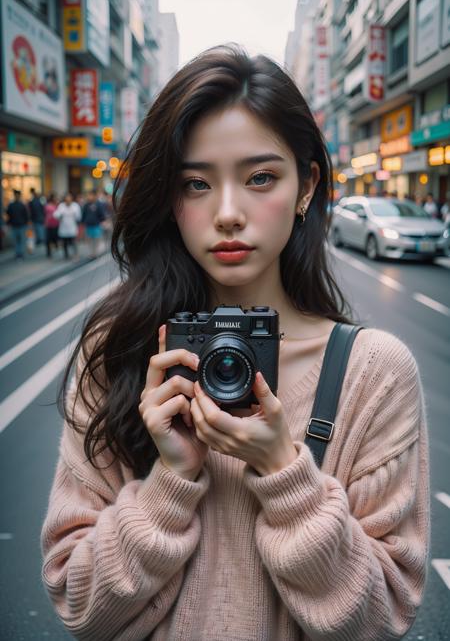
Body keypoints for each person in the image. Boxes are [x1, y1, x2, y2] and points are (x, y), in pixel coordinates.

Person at [41, 46, 429, 641]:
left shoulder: (372, 373)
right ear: (170, 201)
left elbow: (383, 618)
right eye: (196, 183)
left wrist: (284, 472)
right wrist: (171, 479)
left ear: (307, 187)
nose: (227, 213)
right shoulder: (120, 350)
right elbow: (78, 604)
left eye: (260, 178)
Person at [53, 192, 81, 260]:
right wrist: (60, 214)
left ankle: (76, 254)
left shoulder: (75, 205)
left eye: (69, 198)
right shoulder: (61, 206)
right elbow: (55, 215)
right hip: (64, 228)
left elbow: (79, 217)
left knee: (74, 242)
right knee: (64, 243)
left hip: (72, 227)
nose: (68, 200)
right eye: (66, 199)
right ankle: (66, 255)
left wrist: (75, 214)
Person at [81, 189, 106, 258]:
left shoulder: (98, 204)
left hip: (96, 225)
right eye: (88, 195)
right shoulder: (86, 205)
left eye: (91, 195)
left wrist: (103, 221)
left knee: (96, 239)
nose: (89, 197)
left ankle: (96, 252)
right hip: (88, 225)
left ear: (95, 196)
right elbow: (84, 214)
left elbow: (102, 214)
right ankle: (92, 252)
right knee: (90, 240)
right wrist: (83, 222)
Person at [6, 189, 29, 259]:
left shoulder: (20, 205)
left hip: (20, 225)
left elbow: (26, 215)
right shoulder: (12, 205)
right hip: (16, 225)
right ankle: (18, 253)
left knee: (20, 240)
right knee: (17, 241)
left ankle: (20, 253)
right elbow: (8, 214)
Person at [44, 193, 59, 258]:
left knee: (54, 237)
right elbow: (44, 214)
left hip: (56, 224)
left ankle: (55, 246)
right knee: (48, 239)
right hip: (48, 225)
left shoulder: (57, 205)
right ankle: (48, 252)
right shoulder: (47, 206)